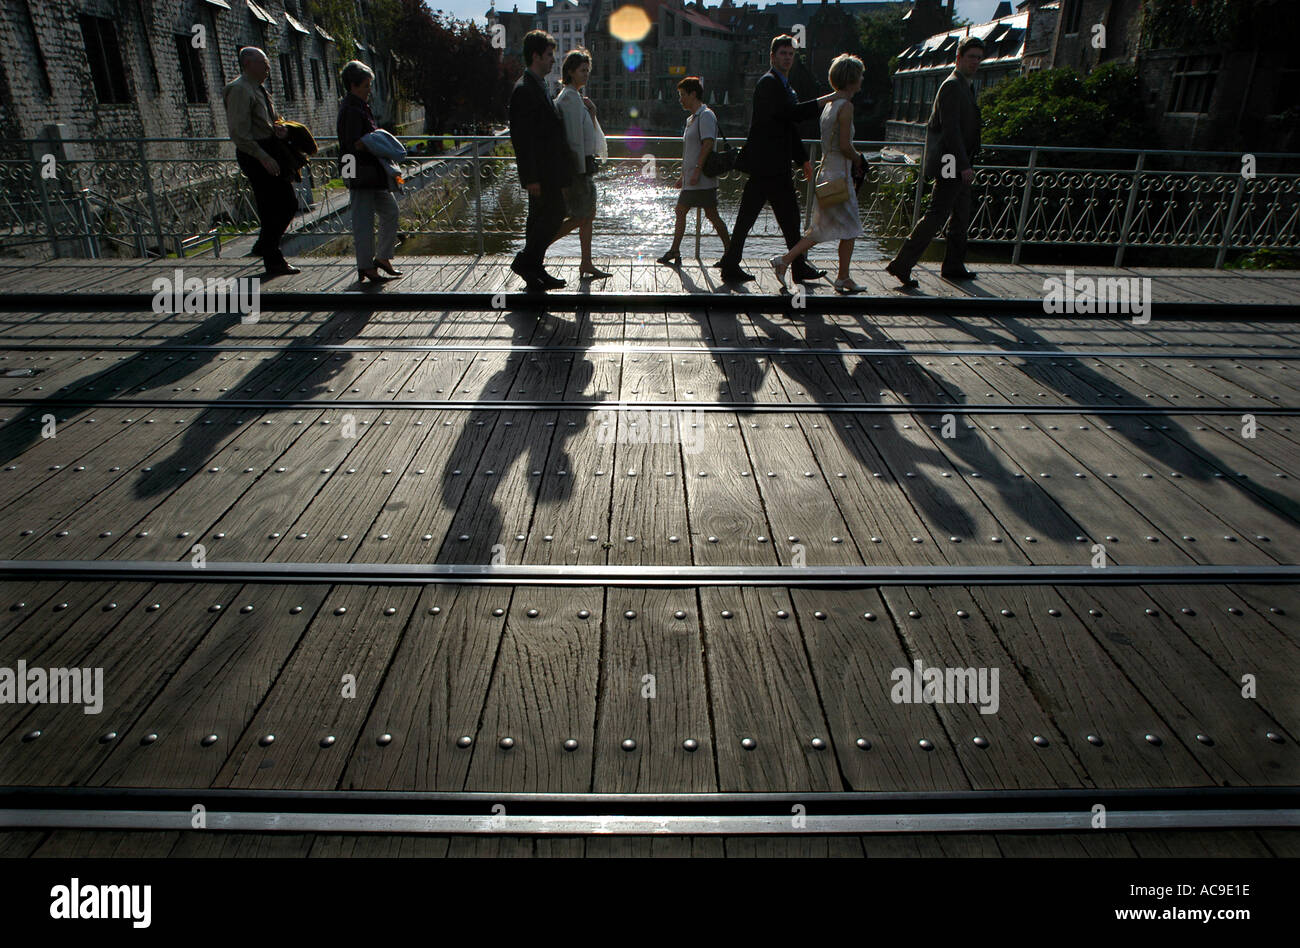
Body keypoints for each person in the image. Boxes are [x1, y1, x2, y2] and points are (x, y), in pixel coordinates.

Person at [716, 34, 836, 284]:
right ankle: (791, 267)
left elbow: (788, 125)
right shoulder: (769, 84)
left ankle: (737, 266)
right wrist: (828, 99)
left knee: (781, 218)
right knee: (766, 218)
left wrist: (802, 159)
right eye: (783, 53)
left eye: (791, 54)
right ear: (772, 57)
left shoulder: (782, 85)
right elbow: (790, 114)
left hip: (770, 165)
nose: (788, 58)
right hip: (768, 166)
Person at [886, 35, 984, 288]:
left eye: (979, 58)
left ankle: (953, 264)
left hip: (958, 158)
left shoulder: (964, 85)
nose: (976, 62)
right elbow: (950, 130)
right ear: (959, 58)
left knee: (961, 214)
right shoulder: (952, 86)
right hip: (951, 160)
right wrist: (963, 164)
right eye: (971, 57)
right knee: (938, 213)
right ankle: (902, 263)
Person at [771, 54, 866, 295]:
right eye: (860, 75)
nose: (862, 78)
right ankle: (841, 277)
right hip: (839, 174)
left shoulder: (830, 106)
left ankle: (785, 260)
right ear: (853, 79)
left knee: (820, 229)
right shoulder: (846, 106)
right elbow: (845, 146)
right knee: (851, 228)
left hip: (826, 172)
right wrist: (859, 158)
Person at [224, 47, 299, 276]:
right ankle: (270, 253)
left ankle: (267, 248)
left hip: (268, 148)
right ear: (248, 64)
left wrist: (279, 129)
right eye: (263, 64)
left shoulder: (258, 89)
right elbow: (239, 132)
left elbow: (263, 121)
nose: (267, 69)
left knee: (284, 204)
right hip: (256, 154)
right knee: (277, 205)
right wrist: (263, 156)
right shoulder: (239, 90)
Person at [508, 30, 572, 291]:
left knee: (538, 220)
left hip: (549, 169)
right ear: (535, 56)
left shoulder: (539, 85)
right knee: (555, 214)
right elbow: (522, 139)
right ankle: (525, 262)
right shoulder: (524, 90)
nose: (552, 61)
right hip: (541, 172)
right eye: (548, 55)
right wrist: (530, 177)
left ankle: (534, 269)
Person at [337, 60, 402, 284]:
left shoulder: (360, 106)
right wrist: (376, 142)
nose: (369, 90)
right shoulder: (351, 109)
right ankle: (366, 267)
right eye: (366, 86)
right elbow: (352, 144)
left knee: (391, 211)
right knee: (363, 221)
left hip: (372, 173)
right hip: (359, 172)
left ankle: (382, 257)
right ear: (354, 86)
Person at [657, 76, 730, 266]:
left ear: (693, 94)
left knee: (688, 211)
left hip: (702, 178)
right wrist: (684, 175)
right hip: (694, 178)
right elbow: (692, 150)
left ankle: (729, 252)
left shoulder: (706, 115)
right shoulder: (692, 118)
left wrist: (697, 170)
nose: (680, 99)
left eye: (682, 95)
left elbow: (708, 143)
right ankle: (730, 252)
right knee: (707, 214)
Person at [551, 48, 611, 279]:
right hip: (578, 167)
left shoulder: (575, 97)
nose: (586, 74)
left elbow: (586, 133)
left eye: (588, 70)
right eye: (582, 70)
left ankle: (586, 262)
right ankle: (540, 245)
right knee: (583, 215)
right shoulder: (570, 98)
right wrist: (578, 171)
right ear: (570, 72)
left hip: (582, 164)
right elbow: (573, 138)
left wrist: (593, 113)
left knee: (588, 214)